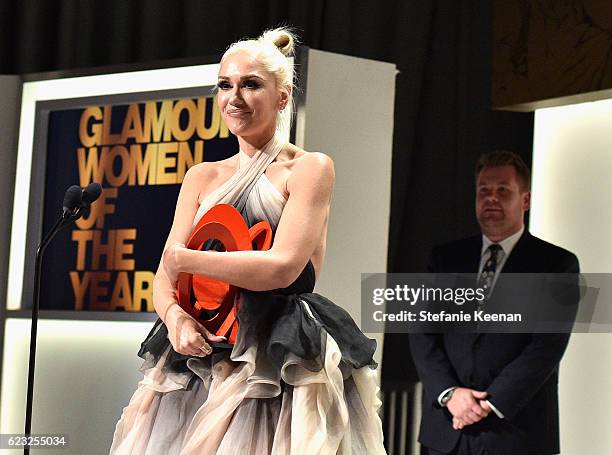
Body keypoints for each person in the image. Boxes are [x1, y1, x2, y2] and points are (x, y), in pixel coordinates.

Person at [110, 28, 386, 455]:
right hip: (200, 349)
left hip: (277, 353)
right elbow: (164, 278)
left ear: (282, 95)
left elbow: (282, 268)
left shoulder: (309, 168)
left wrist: (189, 260)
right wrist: (176, 320)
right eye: (225, 85)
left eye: (250, 84)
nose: (234, 97)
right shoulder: (201, 176)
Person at [409, 151, 579, 455]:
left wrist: (489, 402)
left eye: (503, 190)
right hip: (448, 431)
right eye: (484, 190)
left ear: (525, 200)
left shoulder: (557, 264)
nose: (492, 198)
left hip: (516, 432)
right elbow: (422, 332)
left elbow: (547, 346)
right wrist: (451, 395)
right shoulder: (445, 258)